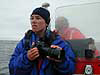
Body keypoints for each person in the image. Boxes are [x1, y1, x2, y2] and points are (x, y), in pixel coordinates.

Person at [9, 7, 75, 75]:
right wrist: (27, 58)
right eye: (32, 18)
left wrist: (61, 61)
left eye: (38, 18)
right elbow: (12, 69)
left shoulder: (59, 42)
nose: (33, 21)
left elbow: (70, 70)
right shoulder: (25, 42)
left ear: (46, 23)